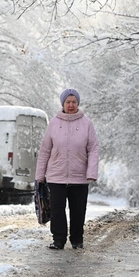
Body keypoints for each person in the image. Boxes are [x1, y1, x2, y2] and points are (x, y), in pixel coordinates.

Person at [35, 88, 99, 250]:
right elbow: (45, 150)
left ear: (78, 103)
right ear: (63, 103)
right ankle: (58, 239)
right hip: (56, 175)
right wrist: (40, 175)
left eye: (74, 102)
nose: (71, 105)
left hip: (80, 176)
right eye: (68, 102)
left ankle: (77, 240)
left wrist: (91, 172)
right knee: (57, 209)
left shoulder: (87, 123)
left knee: (78, 210)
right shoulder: (54, 123)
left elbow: (93, 149)